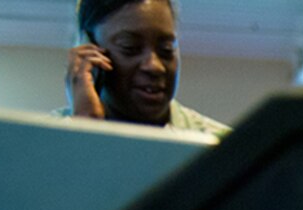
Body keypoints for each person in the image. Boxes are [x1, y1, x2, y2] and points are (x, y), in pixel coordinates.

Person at [63, 0, 229, 136]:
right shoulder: (45, 143)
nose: (155, 67)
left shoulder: (221, 147)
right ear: (87, 46)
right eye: (130, 47)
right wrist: (85, 124)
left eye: (166, 49)